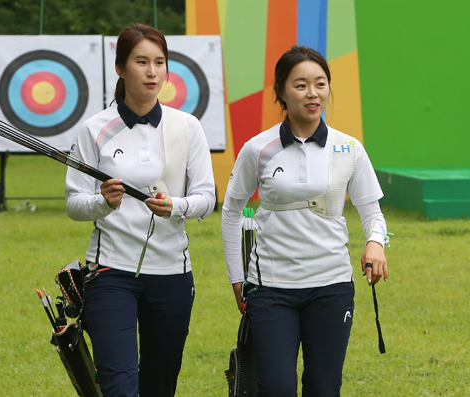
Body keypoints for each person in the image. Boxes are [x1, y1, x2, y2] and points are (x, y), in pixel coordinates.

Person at [222, 45, 389, 397]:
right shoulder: (257, 148)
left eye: (320, 83)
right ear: (281, 91)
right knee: (277, 388)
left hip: (332, 286)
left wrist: (375, 243)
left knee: (323, 388)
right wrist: (237, 277)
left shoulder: (349, 148)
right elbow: (232, 210)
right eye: (300, 85)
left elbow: (372, 213)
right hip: (270, 289)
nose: (312, 93)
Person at [65, 23, 215, 397]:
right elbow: (74, 203)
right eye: (141, 61)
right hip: (110, 272)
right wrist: (103, 202)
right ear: (120, 68)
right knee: (118, 385)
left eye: (160, 62)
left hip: (172, 274)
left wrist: (175, 206)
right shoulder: (95, 129)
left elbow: (206, 198)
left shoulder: (188, 126)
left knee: (159, 385)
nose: (152, 72)